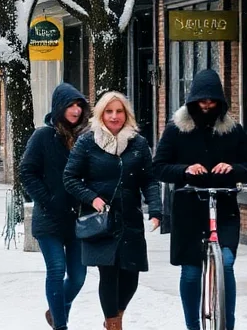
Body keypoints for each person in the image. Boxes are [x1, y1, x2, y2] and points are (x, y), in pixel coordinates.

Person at [152, 69, 247, 330]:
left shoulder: (233, 130)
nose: (207, 107)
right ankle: (193, 326)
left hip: (224, 207)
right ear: (192, 102)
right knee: (190, 273)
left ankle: (227, 324)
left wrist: (233, 169)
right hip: (188, 209)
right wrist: (185, 170)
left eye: (212, 102)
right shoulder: (176, 130)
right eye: (202, 102)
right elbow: (158, 167)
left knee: (227, 263)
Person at [63, 91, 162, 330]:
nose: (114, 116)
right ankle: (114, 324)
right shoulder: (88, 141)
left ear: (126, 114)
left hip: (130, 219)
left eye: (119, 111)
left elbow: (149, 180)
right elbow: (70, 177)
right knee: (108, 274)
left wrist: (156, 209)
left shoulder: (138, 143)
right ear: (101, 114)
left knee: (131, 276)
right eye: (109, 111)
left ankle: (114, 317)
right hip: (101, 221)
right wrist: (92, 198)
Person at [21, 83, 90, 330]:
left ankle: (56, 310)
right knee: (56, 270)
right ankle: (61, 325)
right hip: (49, 218)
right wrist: (47, 199)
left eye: (79, 106)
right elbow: (27, 172)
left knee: (79, 277)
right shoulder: (43, 136)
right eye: (71, 105)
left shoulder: (88, 137)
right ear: (59, 108)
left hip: (78, 218)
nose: (75, 111)